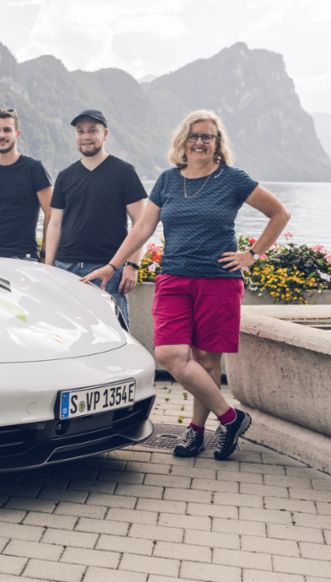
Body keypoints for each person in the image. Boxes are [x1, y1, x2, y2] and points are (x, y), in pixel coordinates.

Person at [82, 110, 290, 460]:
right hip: (174, 277)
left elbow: (279, 213)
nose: (200, 142)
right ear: (183, 140)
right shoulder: (167, 180)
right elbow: (143, 228)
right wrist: (113, 265)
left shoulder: (233, 179)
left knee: (207, 359)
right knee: (169, 354)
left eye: (208, 136)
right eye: (194, 135)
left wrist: (252, 255)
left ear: (217, 143)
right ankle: (231, 417)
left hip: (219, 281)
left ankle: (196, 432)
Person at [44, 109, 147, 325]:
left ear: (105, 133)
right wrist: (48, 266)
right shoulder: (65, 176)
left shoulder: (124, 172)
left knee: (114, 333)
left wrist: (132, 265)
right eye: (80, 131)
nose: (86, 136)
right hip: (66, 268)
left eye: (92, 130)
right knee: (68, 332)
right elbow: (55, 224)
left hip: (107, 268)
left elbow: (142, 223)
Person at [0, 108, 52, 259]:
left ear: (17, 134)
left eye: (7, 130)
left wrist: (45, 254)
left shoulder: (34, 169)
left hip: (25, 256)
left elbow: (50, 214)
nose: (2, 135)